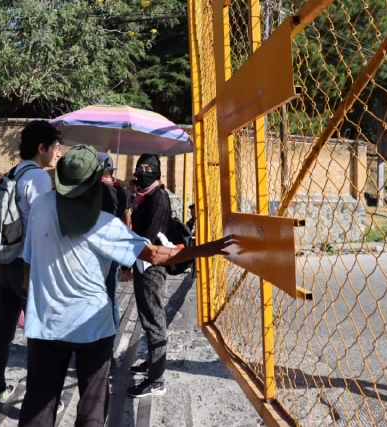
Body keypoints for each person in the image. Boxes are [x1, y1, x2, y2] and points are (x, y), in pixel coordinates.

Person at [18, 145, 233, 426]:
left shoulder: (42, 205)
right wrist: (204, 250)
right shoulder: (103, 224)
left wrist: (31, 301)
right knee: (92, 405)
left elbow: (28, 263)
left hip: (45, 324)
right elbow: (155, 254)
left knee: (38, 403)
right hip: (91, 328)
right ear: (96, 181)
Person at [0, 120, 61, 406]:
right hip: (27, 265)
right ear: (41, 147)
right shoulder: (39, 177)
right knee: (40, 336)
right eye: (55, 147)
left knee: (2, 328)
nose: (58, 152)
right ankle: (39, 400)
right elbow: (42, 226)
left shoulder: (13, 172)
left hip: (5, 262)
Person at [125, 153, 173, 398]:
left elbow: (150, 234)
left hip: (152, 267)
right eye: (139, 167)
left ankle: (157, 380)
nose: (141, 171)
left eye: (147, 167)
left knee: (155, 321)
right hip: (142, 263)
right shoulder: (142, 196)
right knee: (147, 318)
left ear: (156, 171)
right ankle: (153, 363)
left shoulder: (158, 197)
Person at [98, 152, 131, 329]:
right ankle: (111, 336)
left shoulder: (95, 191)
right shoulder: (121, 191)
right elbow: (126, 221)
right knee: (110, 293)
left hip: (97, 249)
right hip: (114, 247)